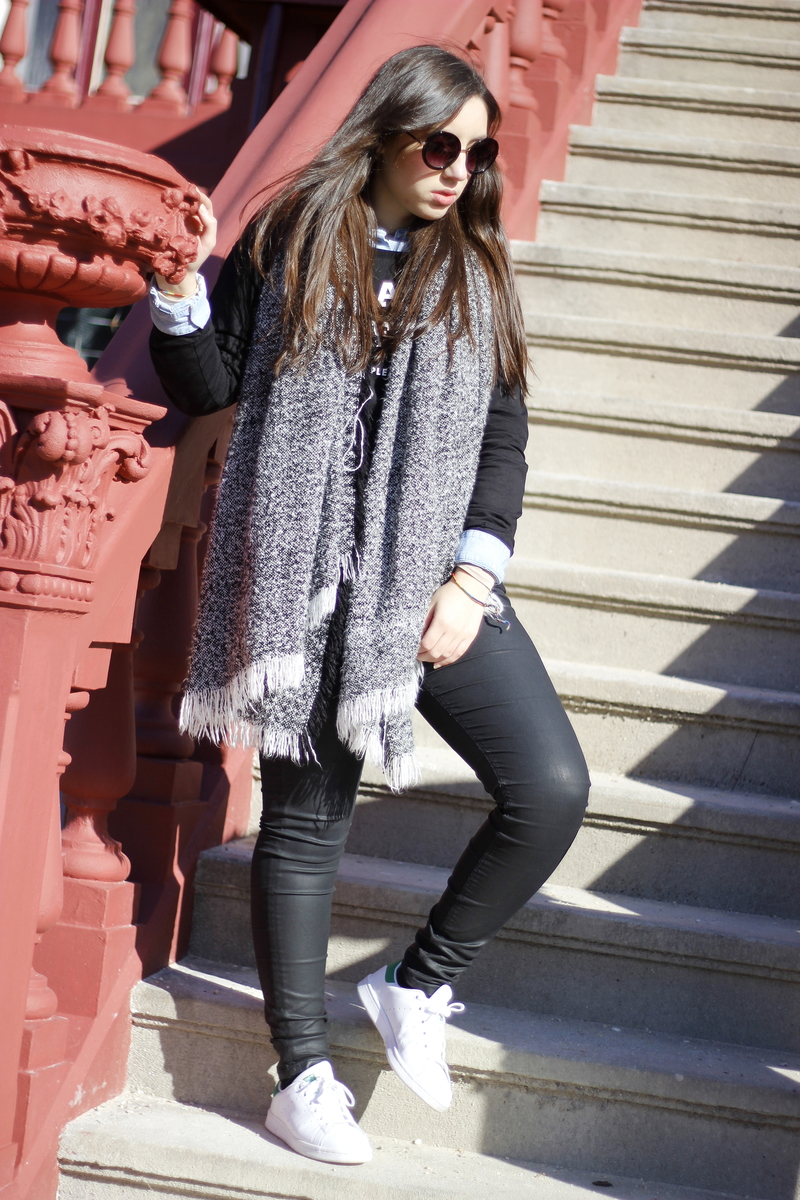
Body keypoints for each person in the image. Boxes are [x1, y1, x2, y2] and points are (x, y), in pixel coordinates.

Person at [148, 44, 590, 1168]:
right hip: (305, 580)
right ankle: (300, 1073)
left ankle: (415, 982)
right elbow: (213, 386)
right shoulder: (294, 235)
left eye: (475, 153)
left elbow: (501, 444)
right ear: (388, 134)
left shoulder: (476, 273)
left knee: (549, 787)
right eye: (439, 146)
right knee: (306, 827)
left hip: (431, 585)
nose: (456, 171)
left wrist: (470, 580)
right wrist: (181, 295)